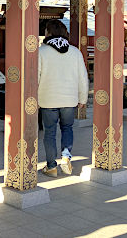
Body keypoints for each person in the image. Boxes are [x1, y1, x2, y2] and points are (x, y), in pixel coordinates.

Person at [38, 20, 88, 178]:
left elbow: (35, 78)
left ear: (48, 32)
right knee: (67, 129)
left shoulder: (41, 52)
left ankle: (51, 166)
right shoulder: (75, 52)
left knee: (50, 133)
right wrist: (83, 98)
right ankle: (66, 157)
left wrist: (33, 100)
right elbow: (82, 77)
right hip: (69, 99)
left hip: (48, 99)